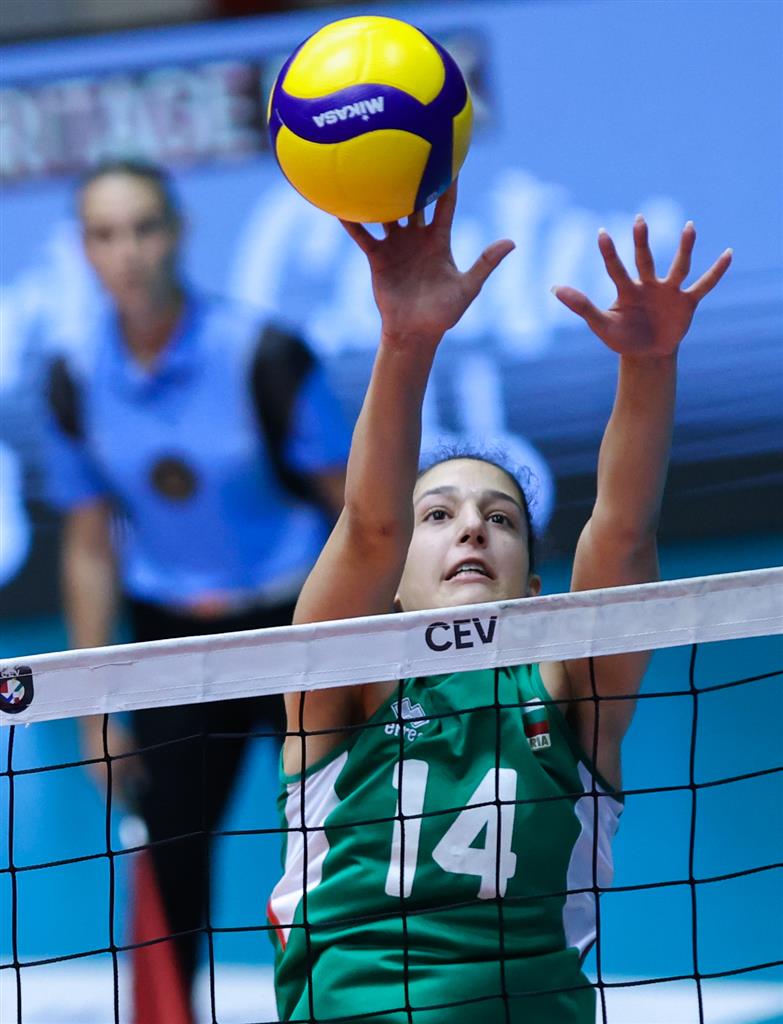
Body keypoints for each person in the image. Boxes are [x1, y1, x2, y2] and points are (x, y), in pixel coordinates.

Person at [267, 183, 732, 1023]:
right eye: (437, 516)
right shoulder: (341, 686)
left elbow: (623, 533)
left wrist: (648, 364)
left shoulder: (568, 694)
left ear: (534, 588)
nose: (472, 528)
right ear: (394, 581)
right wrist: (406, 338)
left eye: (501, 519)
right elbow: (368, 526)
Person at [42, 158, 350, 1007]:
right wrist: (95, 707)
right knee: (169, 857)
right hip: (173, 642)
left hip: (297, 627)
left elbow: (358, 511)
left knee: (343, 842)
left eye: (145, 227)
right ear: (83, 249)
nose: (128, 251)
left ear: (179, 232)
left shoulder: (265, 353)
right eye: (105, 234)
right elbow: (89, 545)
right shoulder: (73, 378)